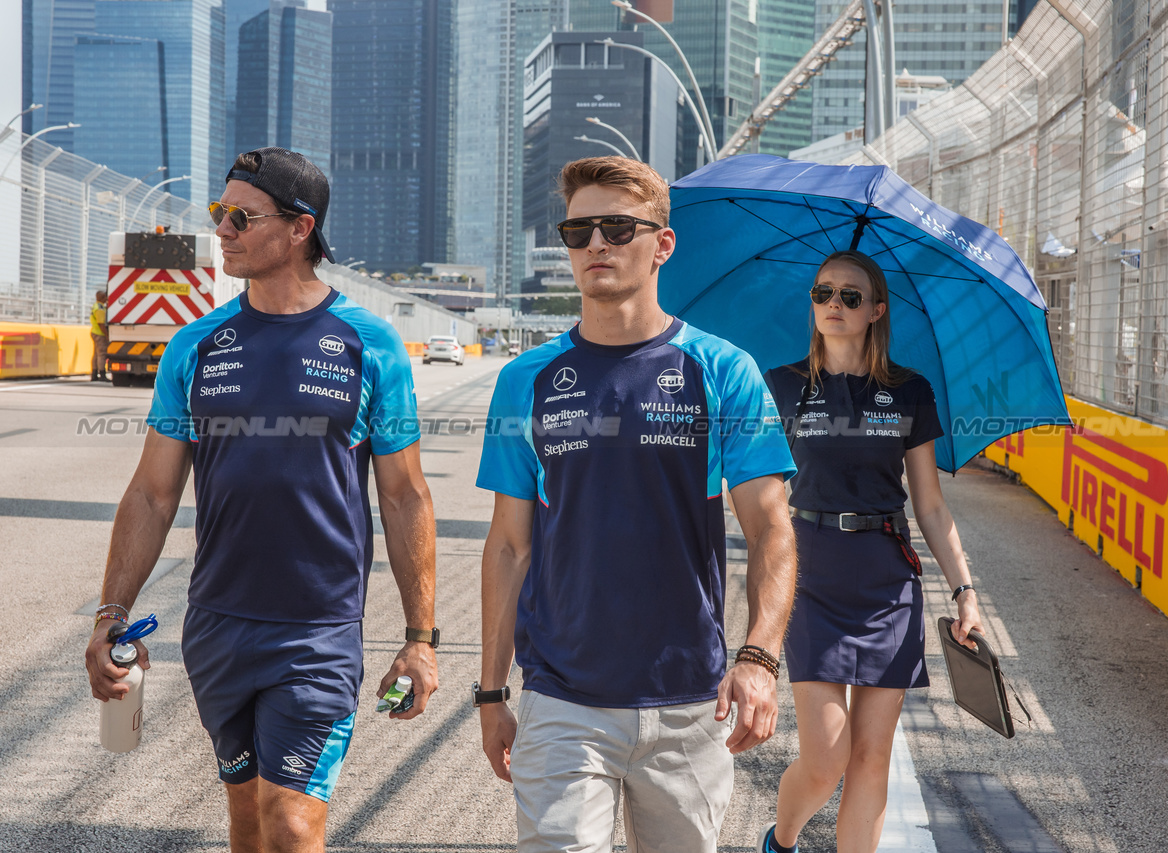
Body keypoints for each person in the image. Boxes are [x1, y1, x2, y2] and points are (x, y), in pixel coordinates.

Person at [84, 147, 440, 853]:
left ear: (301, 228)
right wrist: (110, 614)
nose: (224, 229)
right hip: (216, 628)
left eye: (240, 216)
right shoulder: (196, 345)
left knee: (292, 819)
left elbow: (404, 497)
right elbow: (153, 496)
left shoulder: (370, 345)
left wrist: (420, 638)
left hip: (318, 634)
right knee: (247, 818)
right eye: (220, 213)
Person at [476, 156, 799, 853]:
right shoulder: (524, 381)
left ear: (662, 243)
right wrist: (490, 692)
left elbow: (771, 526)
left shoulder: (724, 371)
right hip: (562, 699)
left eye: (618, 227)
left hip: (690, 700)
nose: (596, 244)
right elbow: (508, 545)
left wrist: (760, 657)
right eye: (578, 230)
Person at [758, 250, 984, 853]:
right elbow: (758, 493)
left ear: (876, 310)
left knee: (870, 757)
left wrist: (964, 590)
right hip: (809, 579)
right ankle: (781, 842)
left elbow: (930, 505)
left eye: (850, 296)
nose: (833, 304)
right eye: (822, 292)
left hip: (887, 582)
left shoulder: (909, 391)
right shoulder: (780, 386)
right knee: (826, 756)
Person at [89, 289, 108, 382]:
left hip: (94, 332)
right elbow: (101, 324)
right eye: (105, 296)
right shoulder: (100, 308)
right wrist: (107, 335)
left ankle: (94, 374)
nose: (106, 298)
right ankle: (102, 374)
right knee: (101, 354)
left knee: (96, 355)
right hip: (99, 333)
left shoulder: (95, 306)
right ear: (102, 297)